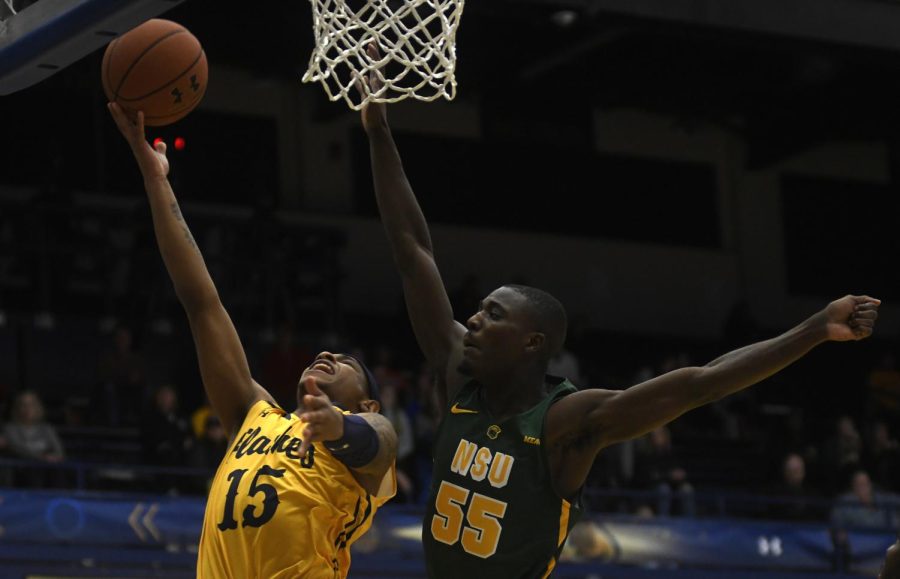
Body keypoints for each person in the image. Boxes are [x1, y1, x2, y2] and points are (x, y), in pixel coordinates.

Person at [358, 43, 881, 578]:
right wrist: (378, 129)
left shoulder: (568, 423)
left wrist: (814, 330)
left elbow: (703, 383)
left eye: (493, 315)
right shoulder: (455, 372)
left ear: (532, 343)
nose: (472, 320)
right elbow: (412, 250)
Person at [107, 103, 397, 578]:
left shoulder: (363, 451)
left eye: (344, 361)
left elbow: (383, 441)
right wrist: (155, 181)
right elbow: (201, 302)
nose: (326, 354)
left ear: (366, 404)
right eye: (326, 353)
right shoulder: (254, 414)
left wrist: (339, 428)